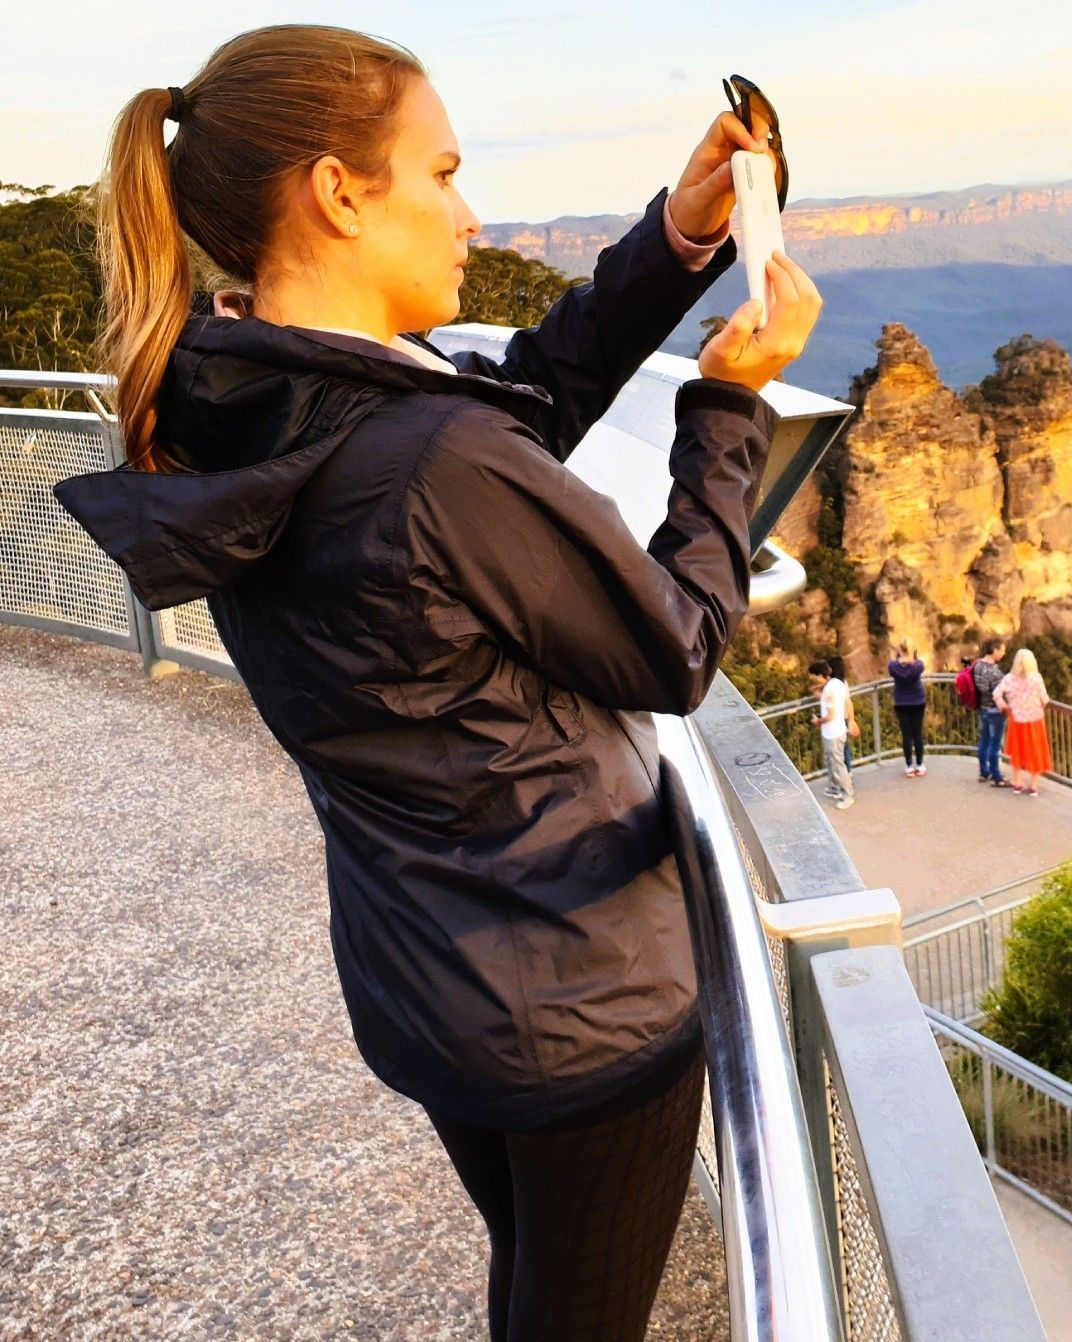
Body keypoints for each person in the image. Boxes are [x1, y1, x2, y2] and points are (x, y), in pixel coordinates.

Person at [53, 27, 822, 1341]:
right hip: (572, 1001)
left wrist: (680, 234)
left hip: (426, 968)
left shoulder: (237, 395)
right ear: (341, 193)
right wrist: (725, 411)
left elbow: (522, 397)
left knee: (533, 1267)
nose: (470, 213)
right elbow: (673, 646)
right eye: (444, 172)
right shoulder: (421, 460)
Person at [993, 648, 1053, 795]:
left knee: (1018, 750)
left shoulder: (1009, 678)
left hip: (1017, 719)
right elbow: (1045, 699)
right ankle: (1033, 784)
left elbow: (996, 694)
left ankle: (1018, 781)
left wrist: (1004, 706)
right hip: (1034, 719)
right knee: (1035, 750)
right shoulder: (1036, 678)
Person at [811, 658, 855, 809]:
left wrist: (817, 721)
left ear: (819, 675)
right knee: (833, 763)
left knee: (838, 765)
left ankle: (847, 795)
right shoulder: (838, 683)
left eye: (813, 677)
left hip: (833, 733)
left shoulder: (830, 690)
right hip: (837, 731)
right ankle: (835, 787)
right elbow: (845, 702)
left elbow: (830, 716)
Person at [970, 638, 1009, 787]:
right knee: (995, 745)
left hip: (982, 709)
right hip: (996, 711)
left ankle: (984, 772)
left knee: (984, 741)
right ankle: (997, 776)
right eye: (1002, 650)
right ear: (995, 650)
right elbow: (1000, 692)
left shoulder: (978, 665)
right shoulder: (994, 672)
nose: (1004, 653)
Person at [887, 642, 927, 777]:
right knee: (917, 735)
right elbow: (919, 663)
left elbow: (892, 663)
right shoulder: (918, 666)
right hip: (918, 701)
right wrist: (912, 656)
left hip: (901, 703)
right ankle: (920, 765)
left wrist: (899, 657)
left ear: (900, 650)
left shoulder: (893, 667)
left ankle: (909, 766)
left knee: (906, 736)